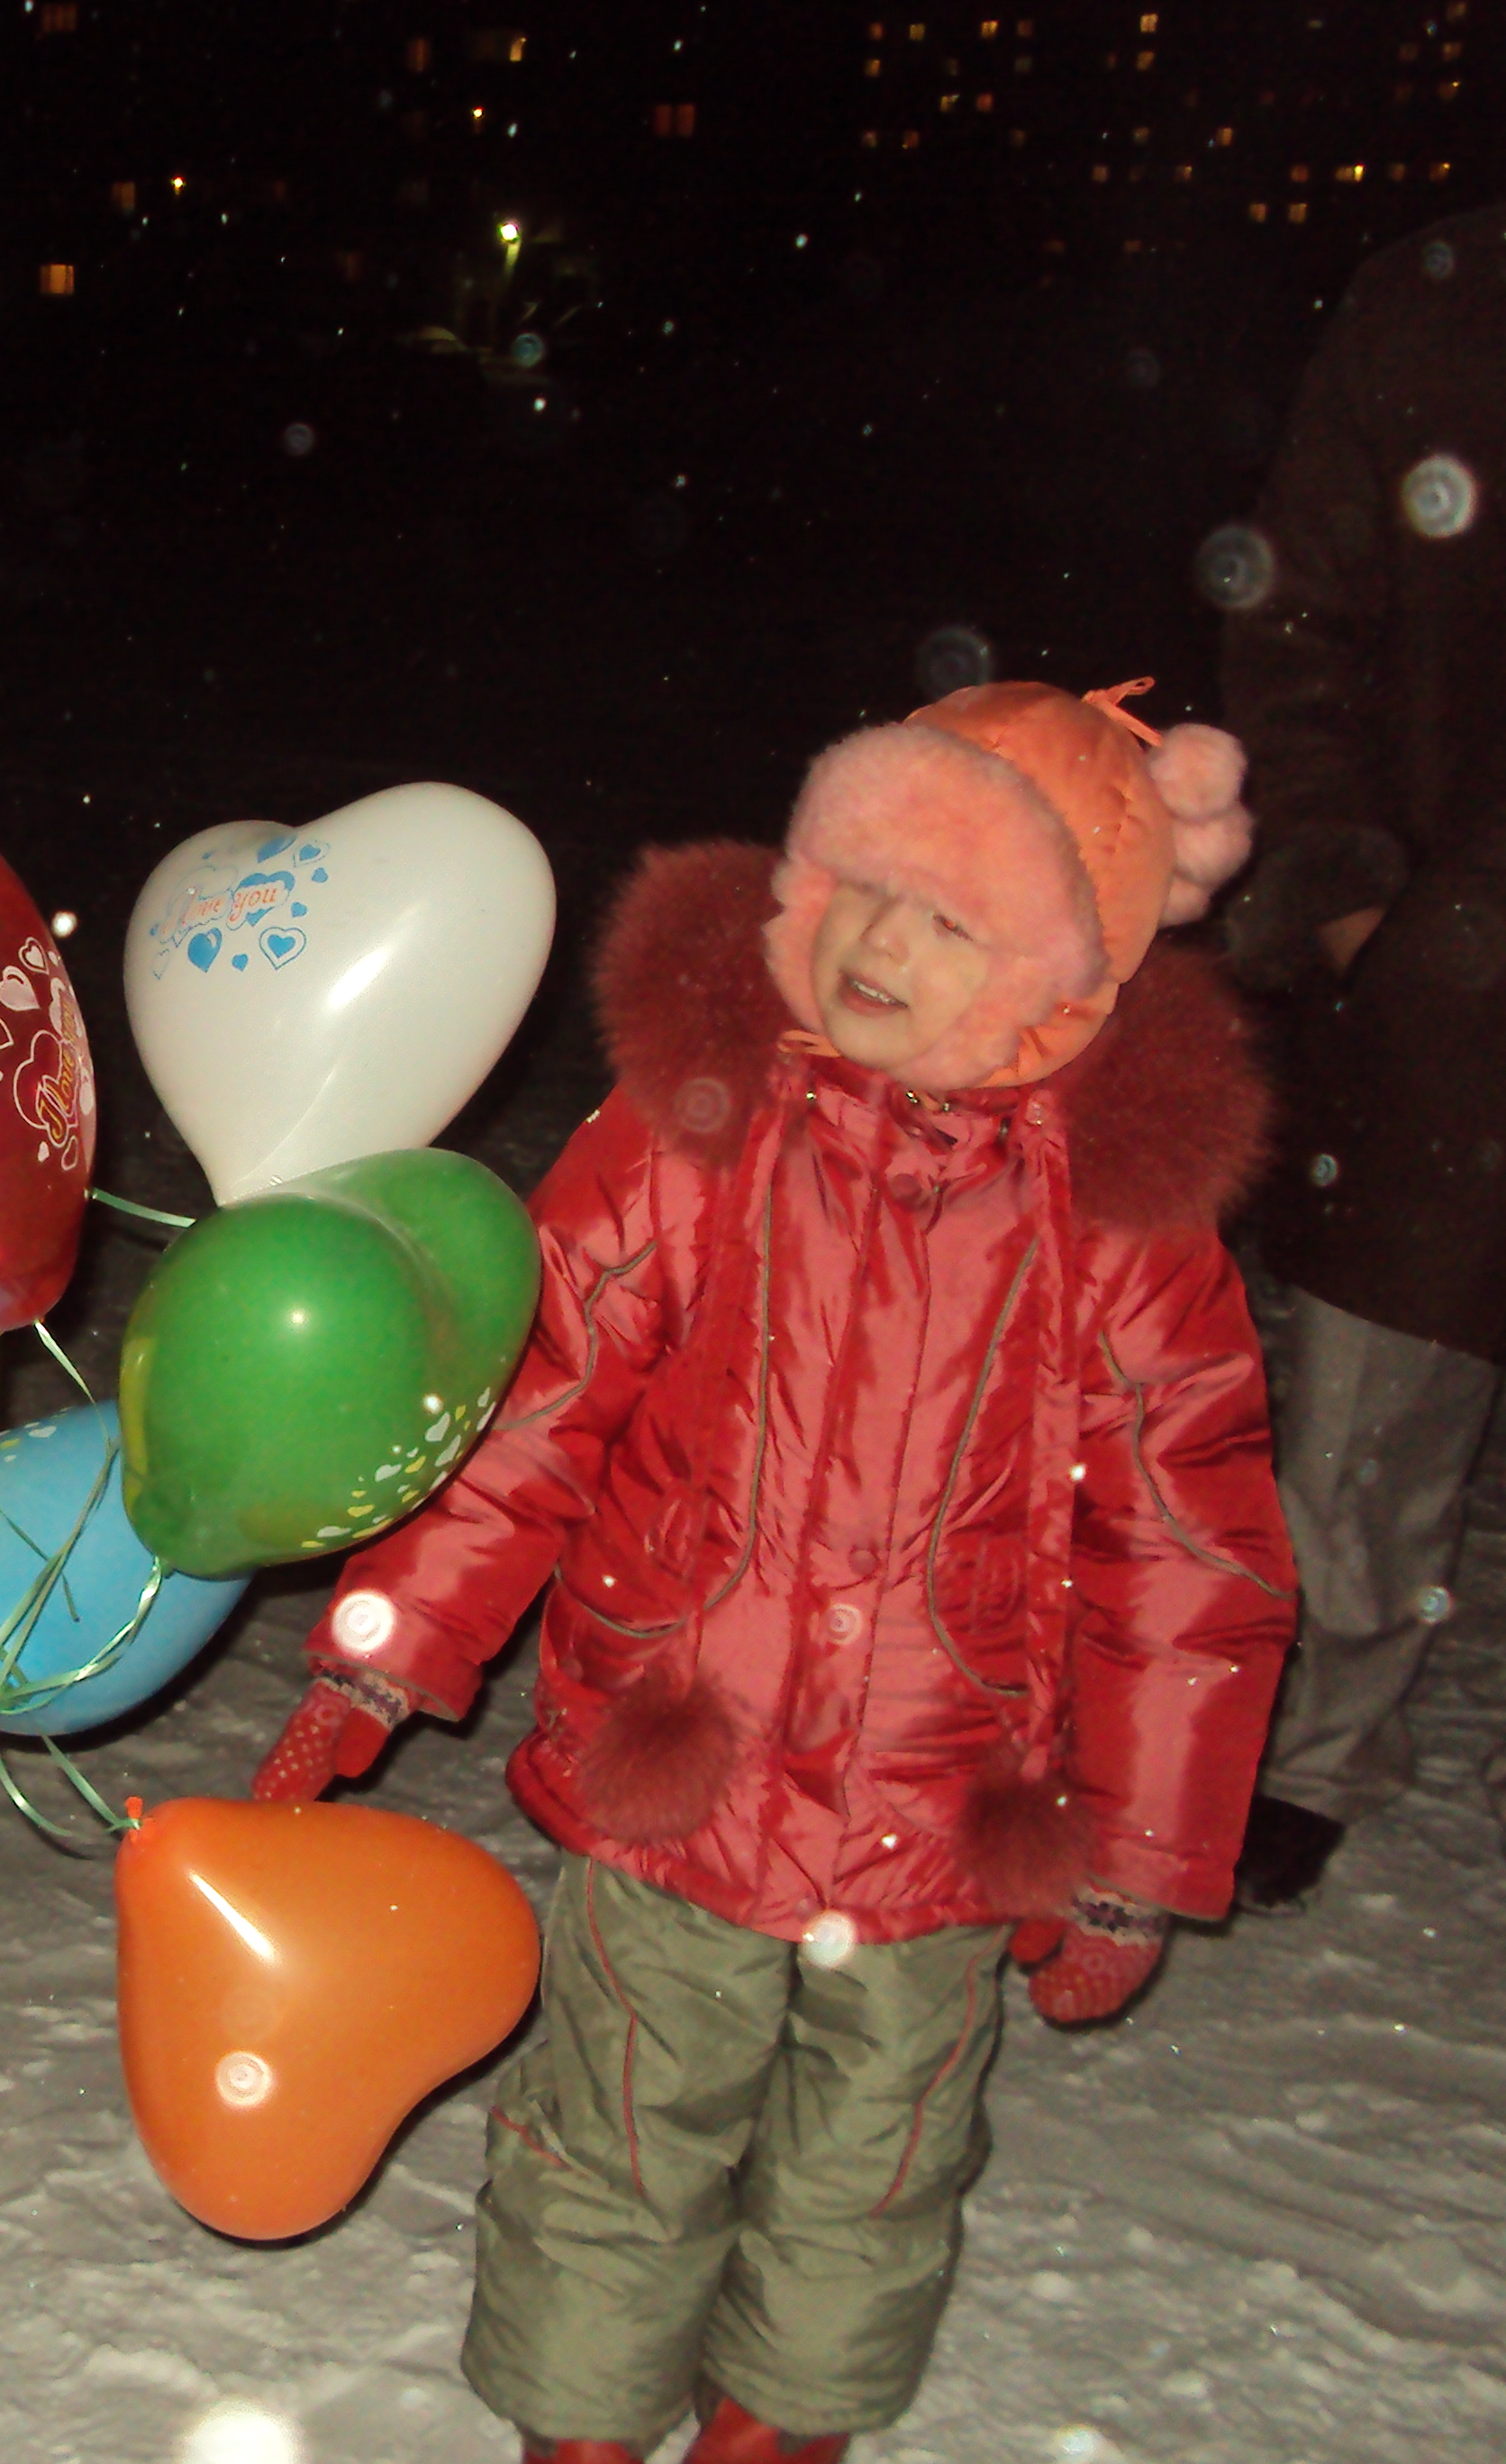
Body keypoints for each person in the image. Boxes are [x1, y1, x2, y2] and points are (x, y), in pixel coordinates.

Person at [249, 683, 1294, 2464]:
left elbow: (1186, 1551)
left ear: (1063, 984)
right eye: (865, 889)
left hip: (947, 1810)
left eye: (951, 923)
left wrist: (1135, 1858)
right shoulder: (703, 1127)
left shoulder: (1122, 1227)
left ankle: (778, 2435)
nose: (881, 945)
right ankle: (581, 2435)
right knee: (617, 2136)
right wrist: (382, 1643)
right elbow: (539, 1393)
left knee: (867, 2179)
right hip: (678, 1766)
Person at [1218, 202, 1506, 1914]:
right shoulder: (1440, 305)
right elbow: (1296, 610)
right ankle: (1315, 1737)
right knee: (1374, 1377)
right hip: (1457, 940)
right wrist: (1344, 893)